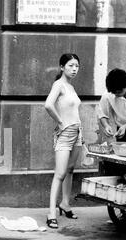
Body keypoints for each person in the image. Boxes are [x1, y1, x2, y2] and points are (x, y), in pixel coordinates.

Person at [44, 53, 82, 229]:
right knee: (59, 173)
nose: (74, 69)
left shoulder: (71, 87)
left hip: (77, 132)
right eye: (70, 66)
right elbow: (48, 105)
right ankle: (51, 212)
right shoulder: (59, 85)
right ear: (61, 67)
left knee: (71, 170)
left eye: (76, 66)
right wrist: (60, 122)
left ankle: (65, 204)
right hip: (65, 132)